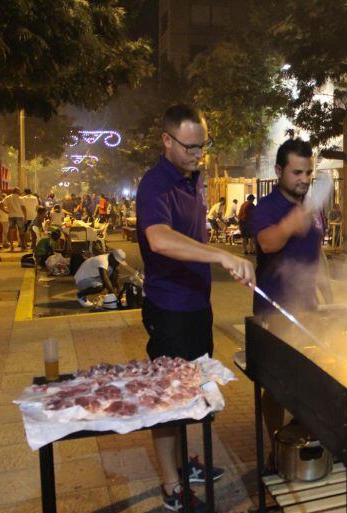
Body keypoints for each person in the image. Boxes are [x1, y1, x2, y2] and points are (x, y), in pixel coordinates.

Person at [137, 104, 254, 512]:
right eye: (189, 146)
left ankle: (187, 462)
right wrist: (220, 256)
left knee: (192, 391)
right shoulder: (155, 184)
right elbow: (160, 239)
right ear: (166, 141)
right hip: (169, 307)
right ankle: (171, 484)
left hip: (195, 305)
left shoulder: (193, 178)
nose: (197, 154)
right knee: (169, 397)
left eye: (202, 146)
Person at [248, 138, 333, 462]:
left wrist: (329, 295)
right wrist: (288, 225)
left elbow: (316, 252)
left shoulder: (311, 206)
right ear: (279, 170)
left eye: (308, 172)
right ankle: (274, 446)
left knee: (309, 377)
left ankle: (302, 438)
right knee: (276, 384)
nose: (304, 178)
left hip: (308, 309)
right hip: (274, 312)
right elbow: (266, 243)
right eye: (297, 172)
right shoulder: (266, 208)